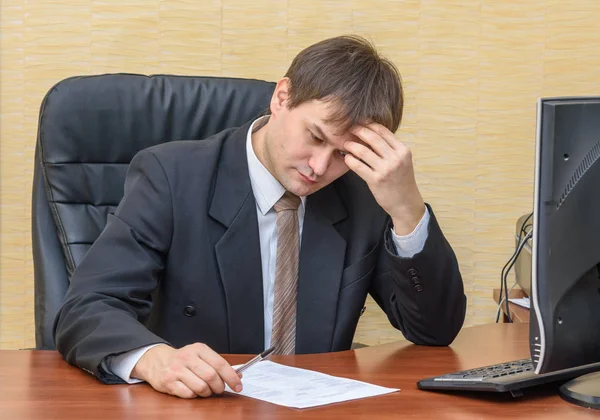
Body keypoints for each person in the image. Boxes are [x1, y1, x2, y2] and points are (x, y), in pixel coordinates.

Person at [54, 35, 466, 399]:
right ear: (282, 97)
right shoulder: (171, 176)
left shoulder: (362, 198)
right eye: (316, 137)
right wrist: (154, 359)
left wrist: (406, 208)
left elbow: (433, 332)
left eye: (344, 154)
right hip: (198, 407)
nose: (320, 167)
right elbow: (86, 308)